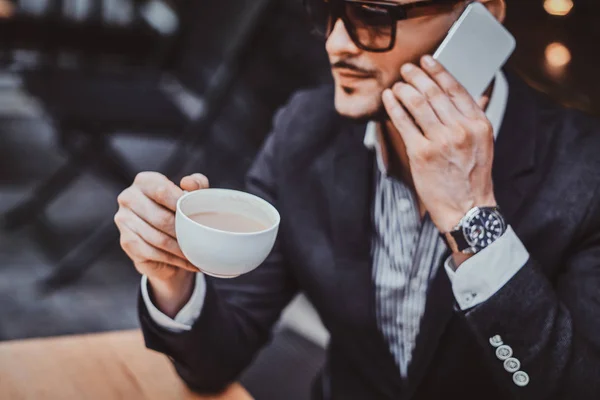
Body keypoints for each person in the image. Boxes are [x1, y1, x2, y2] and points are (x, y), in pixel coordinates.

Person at [114, 0, 600, 398]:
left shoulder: (585, 170)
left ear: (482, 15)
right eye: (327, 11)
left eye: (374, 17)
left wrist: (471, 215)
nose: (336, 44)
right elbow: (213, 364)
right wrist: (173, 279)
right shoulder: (305, 131)